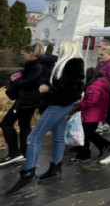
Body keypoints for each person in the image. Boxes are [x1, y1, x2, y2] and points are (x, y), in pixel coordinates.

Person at [5, 41, 85, 196]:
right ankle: (55, 167)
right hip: (61, 104)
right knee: (58, 137)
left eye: (61, 49)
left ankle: (28, 173)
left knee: (33, 137)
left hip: (58, 104)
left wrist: (47, 91)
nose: (58, 51)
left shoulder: (72, 64)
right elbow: (57, 83)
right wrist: (46, 86)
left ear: (67, 50)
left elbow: (68, 89)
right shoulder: (66, 63)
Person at [0, 43, 47, 167]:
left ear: (31, 53)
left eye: (24, 53)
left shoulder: (36, 66)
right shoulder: (36, 66)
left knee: (6, 123)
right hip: (29, 101)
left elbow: (29, 83)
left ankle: (14, 153)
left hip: (26, 102)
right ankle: (24, 153)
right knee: (24, 125)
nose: (23, 56)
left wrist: (16, 80)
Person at [71, 67, 110, 162]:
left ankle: (84, 154)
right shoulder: (102, 84)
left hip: (90, 115)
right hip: (96, 114)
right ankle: (104, 145)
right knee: (90, 133)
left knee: (85, 135)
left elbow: (92, 101)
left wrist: (79, 106)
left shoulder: (93, 86)